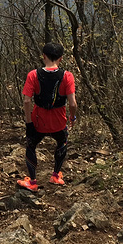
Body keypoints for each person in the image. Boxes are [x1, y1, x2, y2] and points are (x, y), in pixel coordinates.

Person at [17, 42, 77, 192]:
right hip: (59, 122)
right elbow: (73, 103)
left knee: (31, 146)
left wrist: (28, 121)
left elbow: (26, 100)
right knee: (62, 143)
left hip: (38, 122)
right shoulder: (67, 76)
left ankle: (33, 182)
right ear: (61, 59)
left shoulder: (33, 75)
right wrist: (72, 118)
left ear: (44, 56)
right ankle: (56, 176)